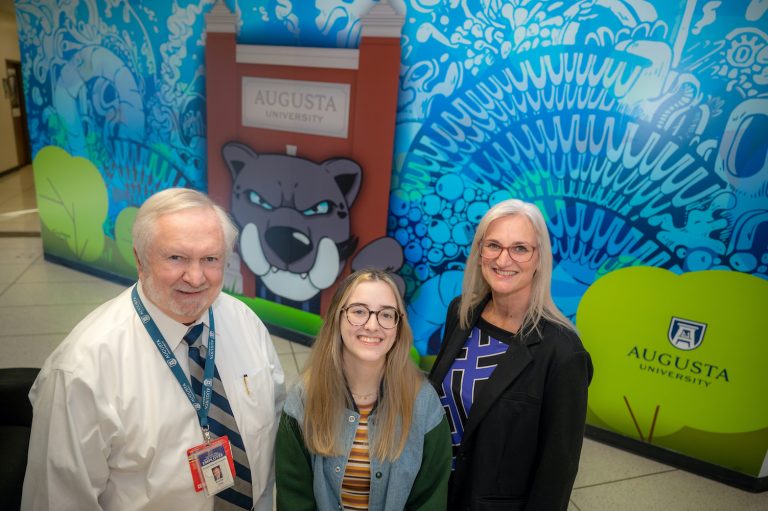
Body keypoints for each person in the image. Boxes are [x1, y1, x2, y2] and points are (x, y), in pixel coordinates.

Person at [21, 188, 285, 511]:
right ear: (140, 260)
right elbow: (58, 501)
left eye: (210, 259)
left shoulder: (245, 322)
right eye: (176, 258)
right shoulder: (82, 371)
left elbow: (275, 437)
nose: (196, 277)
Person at [429, 198, 594, 511]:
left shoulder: (563, 354)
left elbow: (557, 470)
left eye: (520, 248)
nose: (503, 259)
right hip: (436, 491)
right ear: (480, 252)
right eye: (493, 245)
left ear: (539, 258)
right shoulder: (461, 313)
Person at [276, 269, 451, 510]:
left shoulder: (425, 405)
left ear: (398, 326)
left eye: (386, 314)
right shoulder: (303, 398)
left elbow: (430, 500)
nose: (372, 325)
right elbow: (294, 499)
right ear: (337, 318)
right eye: (359, 311)